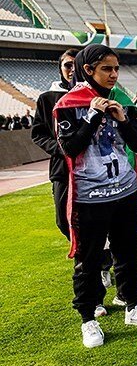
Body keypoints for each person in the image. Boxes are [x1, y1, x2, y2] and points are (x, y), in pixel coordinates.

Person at [54, 44, 137, 348]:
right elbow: (70, 148)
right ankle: (88, 318)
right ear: (88, 70)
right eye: (106, 69)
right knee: (88, 260)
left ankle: (133, 305)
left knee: (127, 253)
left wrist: (124, 120)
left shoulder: (121, 101)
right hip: (90, 197)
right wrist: (92, 116)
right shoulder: (68, 105)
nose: (114, 74)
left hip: (125, 191)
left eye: (116, 68)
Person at [32, 48, 79, 239]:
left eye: (76, 65)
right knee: (63, 219)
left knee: (95, 216)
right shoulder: (47, 98)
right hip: (62, 168)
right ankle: (86, 253)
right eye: (68, 65)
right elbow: (38, 134)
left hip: (94, 166)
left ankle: (99, 255)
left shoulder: (93, 95)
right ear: (60, 68)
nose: (72, 69)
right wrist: (61, 149)